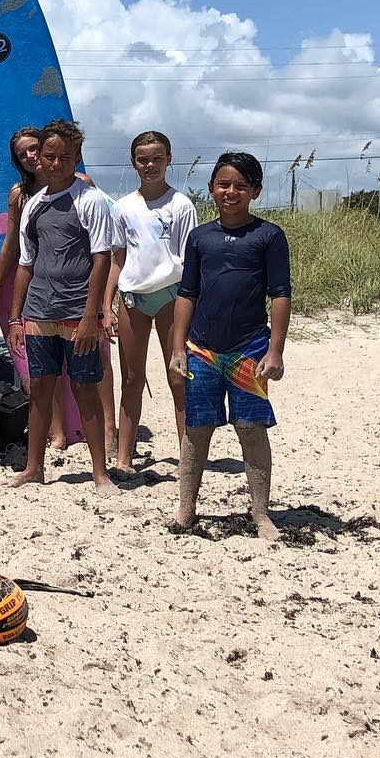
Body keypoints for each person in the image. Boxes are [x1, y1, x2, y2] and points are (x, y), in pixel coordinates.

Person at [169, 152, 291, 541]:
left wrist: (275, 350)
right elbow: (187, 293)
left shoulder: (269, 236)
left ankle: (259, 514)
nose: (231, 192)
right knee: (196, 429)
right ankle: (186, 510)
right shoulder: (200, 238)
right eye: (224, 184)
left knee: (251, 428)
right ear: (211, 189)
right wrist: (177, 348)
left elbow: (281, 294)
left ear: (254, 190)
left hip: (249, 349)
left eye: (241, 185)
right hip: (202, 350)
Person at [5, 119, 119, 495]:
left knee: (86, 390)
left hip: (77, 313)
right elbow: (25, 263)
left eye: (64, 157)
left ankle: (100, 473)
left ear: (77, 158)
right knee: (40, 388)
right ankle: (33, 467)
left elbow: (102, 260)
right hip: (39, 311)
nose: (55, 163)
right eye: (49, 156)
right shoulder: (33, 204)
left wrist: (93, 317)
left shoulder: (90, 200)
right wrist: (15, 316)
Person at [105, 130, 198, 472]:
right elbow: (118, 258)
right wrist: (105, 306)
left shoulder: (181, 205)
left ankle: (188, 458)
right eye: (143, 159)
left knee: (178, 377)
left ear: (169, 160)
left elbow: (190, 260)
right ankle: (124, 458)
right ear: (133, 162)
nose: (150, 165)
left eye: (157, 158)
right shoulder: (124, 206)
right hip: (132, 298)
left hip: (172, 296)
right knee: (131, 378)